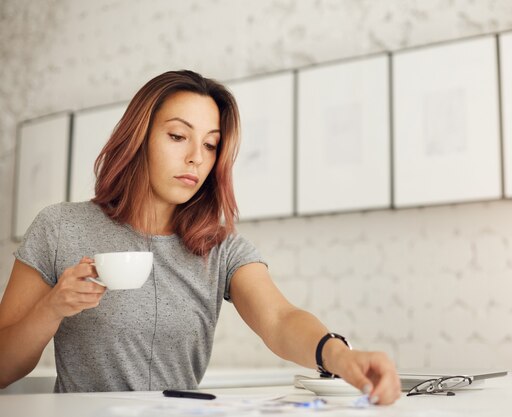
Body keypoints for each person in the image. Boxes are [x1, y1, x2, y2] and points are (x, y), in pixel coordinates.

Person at [0, 70, 401, 404]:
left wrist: (339, 355)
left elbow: (279, 319)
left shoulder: (220, 246)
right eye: (178, 136)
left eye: (210, 145)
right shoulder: (59, 228)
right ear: (138, 138)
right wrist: (52, 308)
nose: (197, 157)